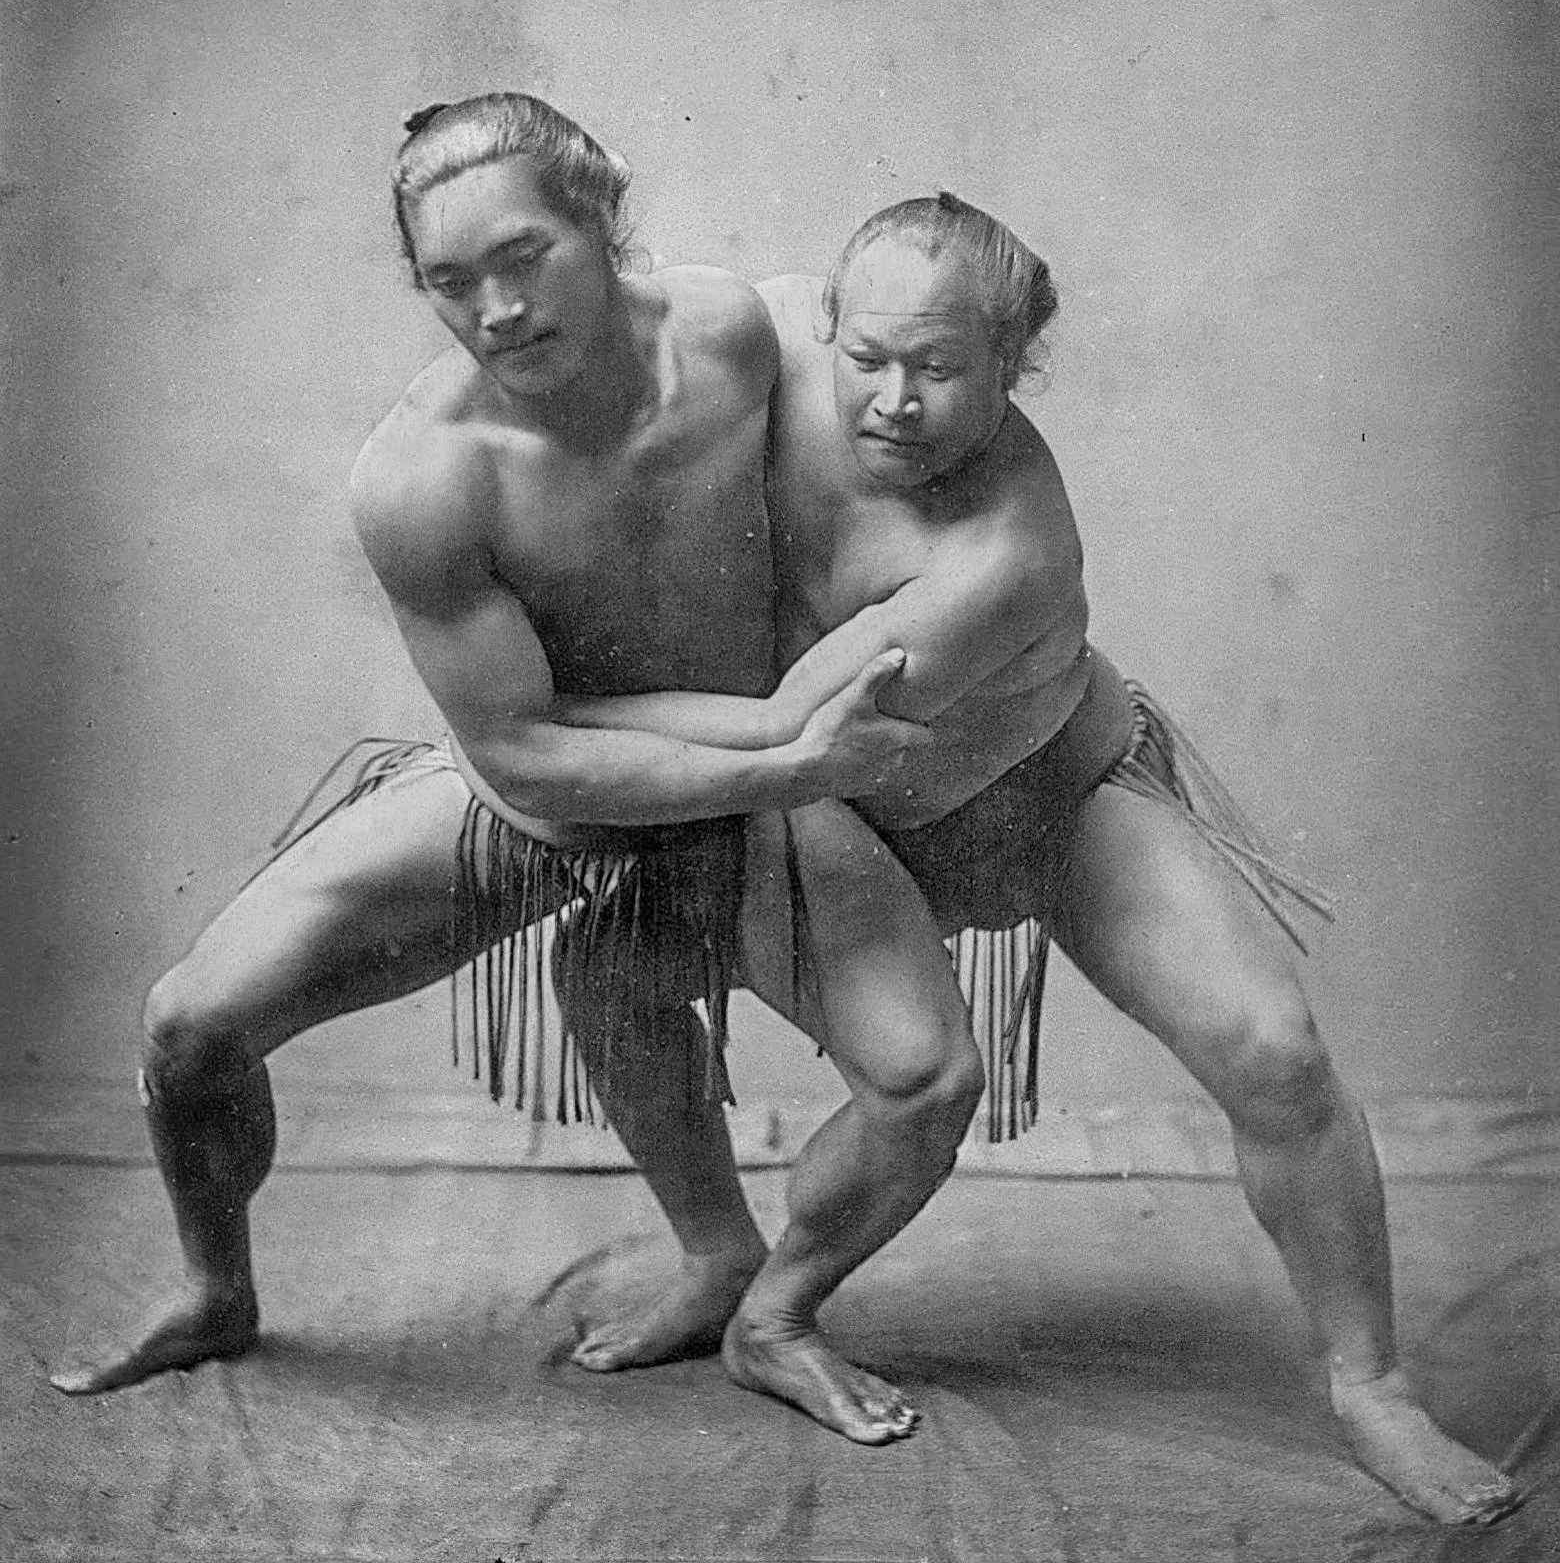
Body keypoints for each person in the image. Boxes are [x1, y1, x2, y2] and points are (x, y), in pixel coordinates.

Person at [545, 194, 1523, 1525]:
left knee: (1277, 1054)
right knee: (611, 965)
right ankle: (734, 1273)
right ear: (822, 318)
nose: (894, 401)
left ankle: (1373, 1383)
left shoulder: (1006, 549)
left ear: (1014, 364)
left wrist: (532, 731)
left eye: (941, 370)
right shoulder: (751, 341)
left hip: (1040, 795)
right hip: (828, 810)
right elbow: (581, 347)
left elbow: (794, 724)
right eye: (870, 357)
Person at [46, 95, 984, 1450]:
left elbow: (926, 385)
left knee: (927, 1080)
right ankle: (214, 1290)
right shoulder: (423, 477)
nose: (492, 307)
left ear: (606, 226)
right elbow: (526, 754)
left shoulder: (731, 332)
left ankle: (764, 1304)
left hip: (762, 766)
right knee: (187, 1025)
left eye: (522, 255)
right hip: (567, 798)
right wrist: (791, 759)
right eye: (448, 280)